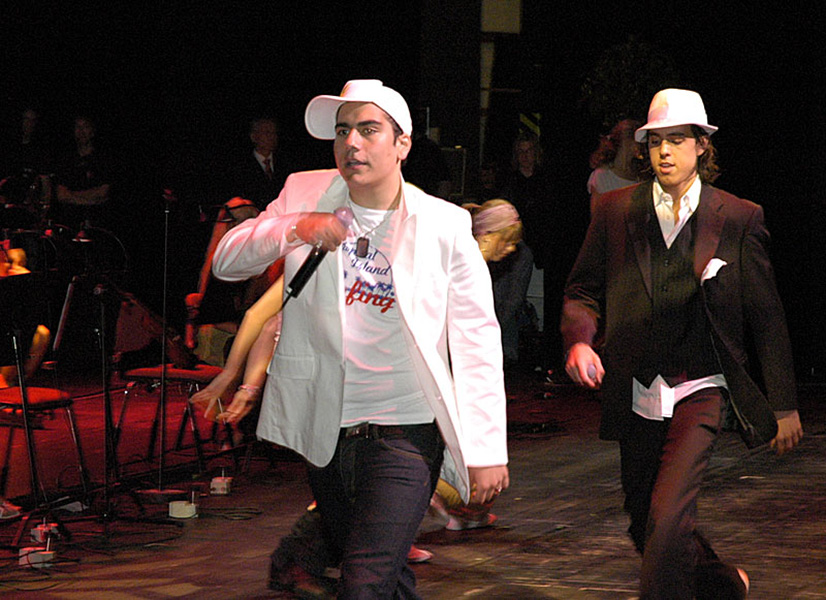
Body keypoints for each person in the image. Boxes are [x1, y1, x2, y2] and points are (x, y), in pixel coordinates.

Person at [212, 79, 509, 598]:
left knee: (364, 582)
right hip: (326, 428)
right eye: (343, 130)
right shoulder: (304, 193)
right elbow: (227, 261)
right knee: (382, 578)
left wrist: (486, 448)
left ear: (402, 143)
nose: (351, 142)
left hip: (406, 429)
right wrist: (298, 226)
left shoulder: (444, 224)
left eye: (369, 130)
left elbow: (476, 338)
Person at [562, 88, 803, 599]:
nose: (665, 151)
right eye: (655, 142)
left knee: (669, 516)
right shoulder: (615, 210)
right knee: (644, 521)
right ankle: (723, 584)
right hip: (637, 387)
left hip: (701, 387)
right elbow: (581, 290)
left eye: (676, 140)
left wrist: (783, 404)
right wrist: (580, 341)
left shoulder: (737, 217)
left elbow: (766, 316)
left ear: (701, 146)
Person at [224, 117, 290, 211]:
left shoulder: (285, 162)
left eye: (274, 133)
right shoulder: (241, 166)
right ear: (254, 137)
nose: (272, 137)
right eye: (267, 133)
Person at [586, 118, 648, 214]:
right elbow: (597, 217)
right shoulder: (602, 176)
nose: (641, 147)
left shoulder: (642, 175)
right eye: (638, 142)